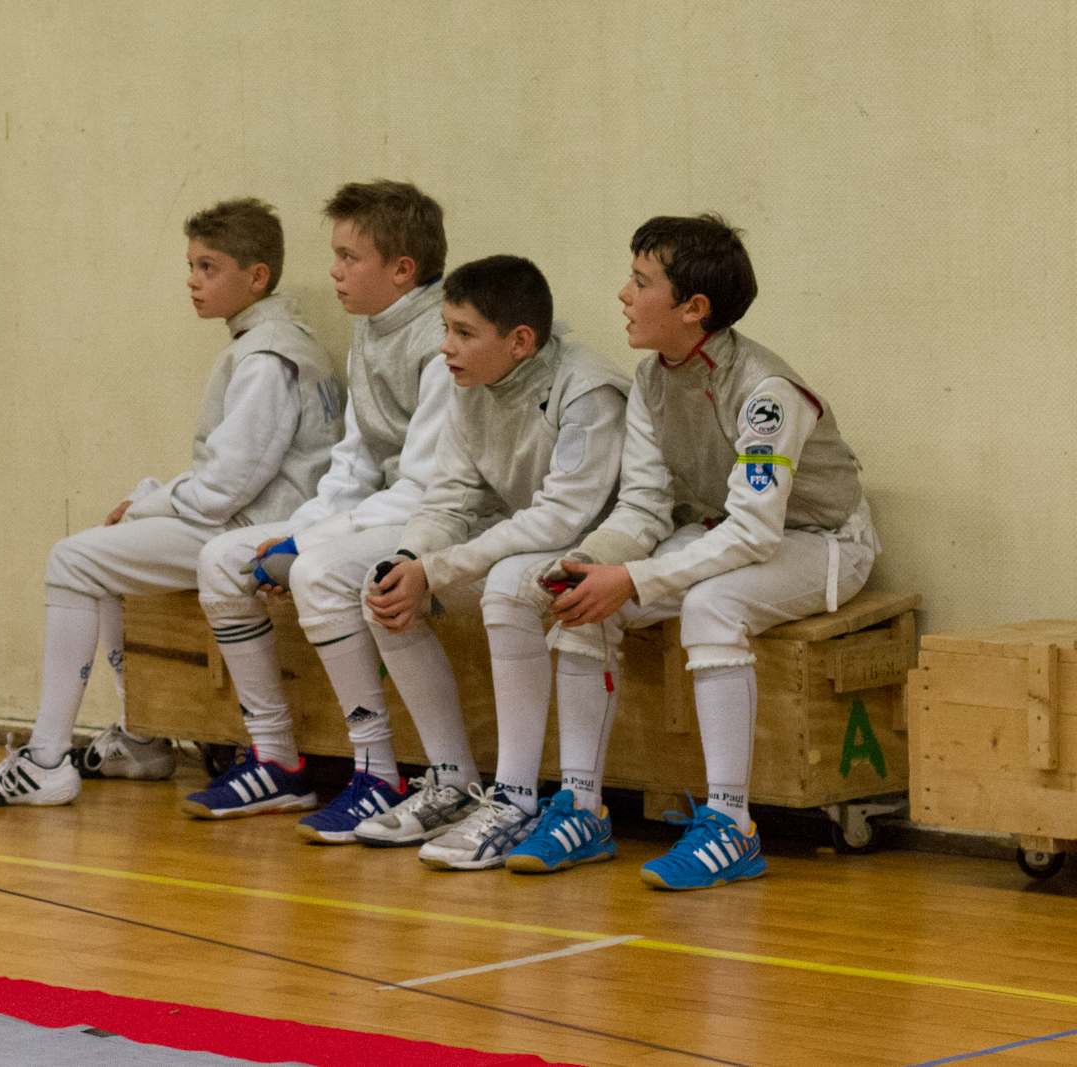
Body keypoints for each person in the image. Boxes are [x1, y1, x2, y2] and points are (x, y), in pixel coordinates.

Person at [0, 198, 342, 807]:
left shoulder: (267, 358)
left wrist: (145, 506)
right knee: (100, 561)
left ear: (256, 276)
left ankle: (46, 759)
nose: (193, 280)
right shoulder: (271, 342)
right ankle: (144, 739)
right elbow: (231, 473)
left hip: (255, 532)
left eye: (209, 267)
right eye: (191, 265)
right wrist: (152, 495)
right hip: (248, 517)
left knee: (72, 559)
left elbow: (221, 492)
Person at [546, 213, 879, 889]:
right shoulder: (651, 379)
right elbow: (643, 505)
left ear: (693, 307)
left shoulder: (766, 392)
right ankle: (581, 808)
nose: (623, 295)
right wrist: (592, 561)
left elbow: (756, 532)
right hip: (724, 529)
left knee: (712, 604)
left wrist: (634, 578)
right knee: (585, 600)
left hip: (822, 541)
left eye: (641, 282)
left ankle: (732, 827)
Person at [188, 181, 452, 839]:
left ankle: (378, 772)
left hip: (435, 518)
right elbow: (354, 463)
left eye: (348, 257)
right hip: (382, 510)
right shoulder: (370, 330)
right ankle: (276, 758)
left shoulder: (442, 337)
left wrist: (308, 546)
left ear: (402, 268)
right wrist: (305, 527)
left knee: (315, 571)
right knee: (222, 558)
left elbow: (426, 485)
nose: (333, 271)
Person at [360, 255, 629, 869]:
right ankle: (452, 780)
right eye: (445, 328)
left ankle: (516, 798)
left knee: (507, 584)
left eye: (463, 332)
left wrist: (439, 570)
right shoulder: (470, 385)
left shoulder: (588, 390)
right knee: (382, 585)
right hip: (532, 541)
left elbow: (563, 518)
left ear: (520, 342)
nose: (446, 346)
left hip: (603, 547)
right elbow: (450, 497)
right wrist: (410, 559)